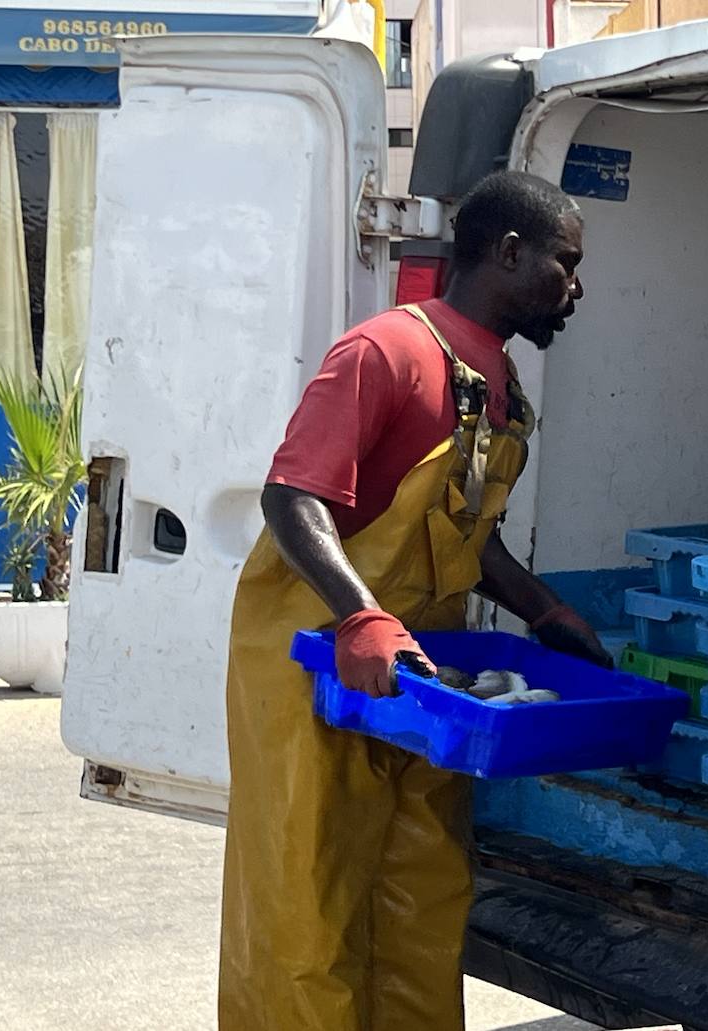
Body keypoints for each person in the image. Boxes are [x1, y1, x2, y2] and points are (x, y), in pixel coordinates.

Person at [218, 171, 610, 1030]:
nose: (576, 288)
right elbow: (293, 497)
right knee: (308, 905)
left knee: (422, 895)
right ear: (510, 253)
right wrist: (361, 616)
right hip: (316, 667)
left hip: (426, 680)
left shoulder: (500, 385)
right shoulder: (386, 351)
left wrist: (546, 612)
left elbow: (468, 534)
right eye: (566, 264)